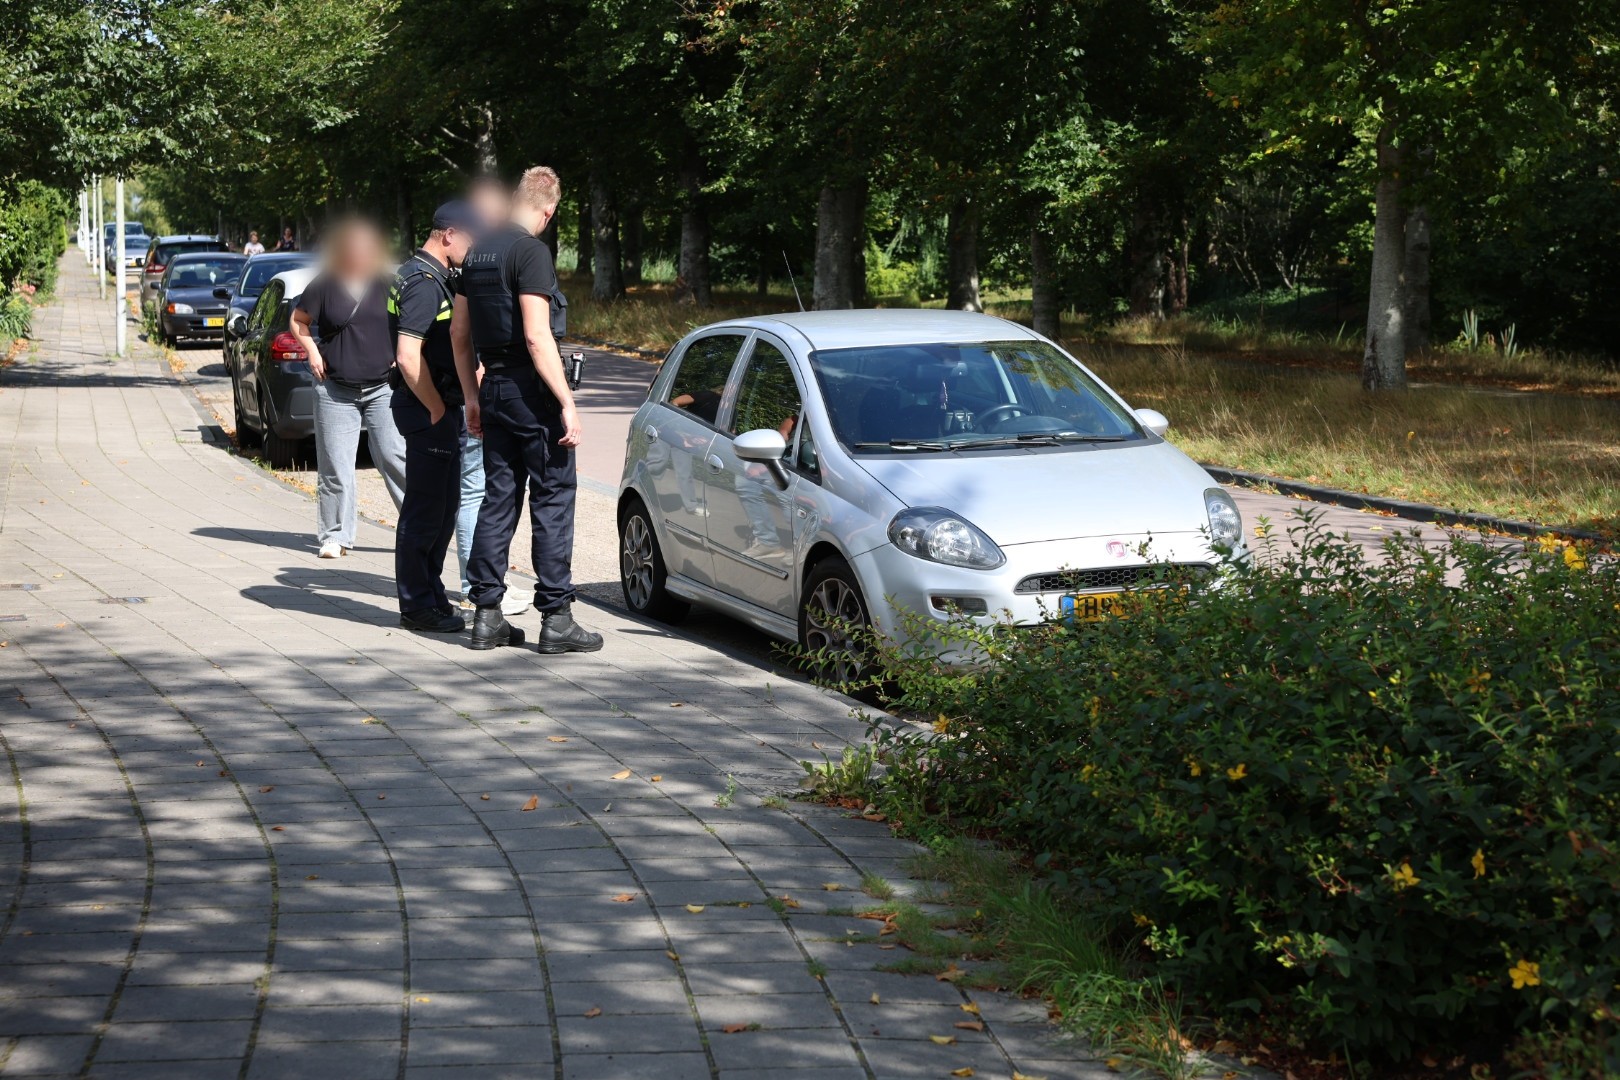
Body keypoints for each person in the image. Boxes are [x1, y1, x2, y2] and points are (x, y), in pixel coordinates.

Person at [458, 166, 601, 654]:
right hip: (530, 394)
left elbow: (460, 336)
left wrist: (472, 397)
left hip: (494, 389)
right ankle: (557, 619)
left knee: (497, 501)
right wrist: (567, 404)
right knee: (553, 500)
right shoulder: (530, 251)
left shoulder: (476, 251)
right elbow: (539, 337)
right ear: (547, 209)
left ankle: (486, 616)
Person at [391, 200, 517, 638]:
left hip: (437, 406)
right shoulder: (424, 282)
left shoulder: (435, 276)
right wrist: (437, 407)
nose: (474, 250)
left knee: (442, 512)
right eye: (471, 240)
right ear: (449, 234)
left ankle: (430, 594)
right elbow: (408, 358)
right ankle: (416, 605)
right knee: (426, 512)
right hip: (427, 408)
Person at [290, 218, 407, 560]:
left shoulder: (389, 284)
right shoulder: (324, 284)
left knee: (395, 458)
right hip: (335, 390)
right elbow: (298, 320)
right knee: (336, 466)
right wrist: (311, 351)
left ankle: (421, 526)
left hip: (383, 389)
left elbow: (412, 323)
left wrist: (404, 357)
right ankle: (334, 536)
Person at [453, 175, 529, 617]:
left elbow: (460, 333)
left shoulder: (473, 260)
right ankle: (478, 587)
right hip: (494, 387)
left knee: (483, 490)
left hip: (481, 389)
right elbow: (460, 335)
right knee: (479, 490)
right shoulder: (496, 256)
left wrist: (471, 394)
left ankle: (482, 589)